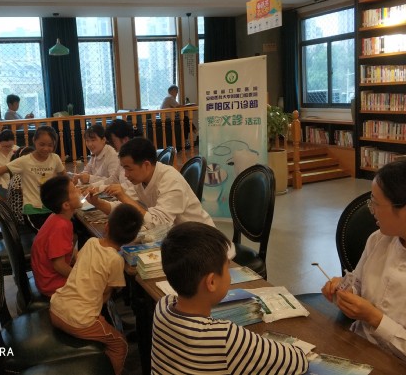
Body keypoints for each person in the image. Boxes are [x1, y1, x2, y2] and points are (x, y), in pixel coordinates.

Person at [321, 158, 406, 375]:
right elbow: (359, 285)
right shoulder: (379, 240)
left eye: (376, 204)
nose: (372, 210)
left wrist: (375, 319)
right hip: (357, 350)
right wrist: (345, 291)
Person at [152, 222, 309, 375]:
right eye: (227, 268)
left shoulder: (162, 307)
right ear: (211, 282)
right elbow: (297, 361)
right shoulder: (225, 337)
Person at [49, 204, 144, 375]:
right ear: (132, 238)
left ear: (106, 226)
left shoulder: (91, 242)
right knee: (120, 344)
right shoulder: (116, 260)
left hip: (56, 307)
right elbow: (107, 292)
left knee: (102, 321)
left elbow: (79, 262)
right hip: (79, 321)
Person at [87, 137, 214, 229]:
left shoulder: (170, 180)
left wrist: (124, 197)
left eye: (129, 169)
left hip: (203, 241)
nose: (125, 174)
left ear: (146, 165)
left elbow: (158, 223)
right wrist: (97, 202)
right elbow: (123, 207)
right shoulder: (140, 179)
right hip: (176, 237)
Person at [0, 125, 66, 230]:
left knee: (65, 228)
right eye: (42, 144)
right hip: (32, 211)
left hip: (50, 207)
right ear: (34, 140)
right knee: (49, 234)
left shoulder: (55, 158)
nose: (46, 148)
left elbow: (64, 178)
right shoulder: (25, 161)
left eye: (50, 145)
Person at [31, 175, 81, 296]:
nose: (79, 191)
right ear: (66, 205)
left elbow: (67, 248)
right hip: (53, 285)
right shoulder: (60, 226)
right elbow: (59, 265)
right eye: (74, 190)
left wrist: (78, 257)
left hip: (47, 280)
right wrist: (80, 278)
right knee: (99, 283)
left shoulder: (56, 217)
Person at [0, 129, 18, 198]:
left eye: (10, 146)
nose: (8, 149)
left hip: (17, 184)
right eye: (5, 146)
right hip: (2, 185)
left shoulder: (17, 150)